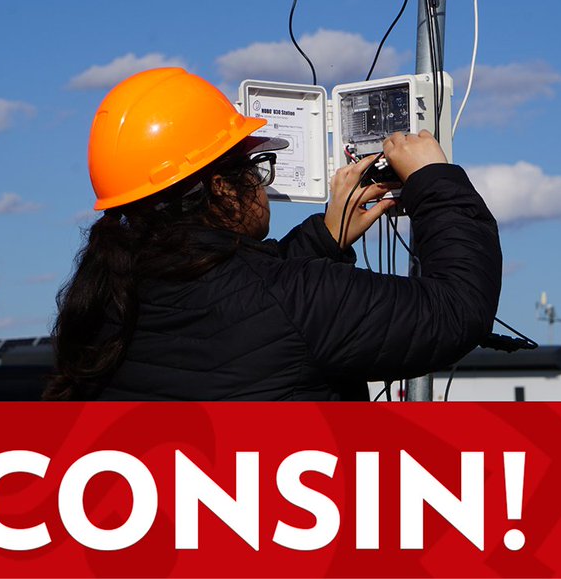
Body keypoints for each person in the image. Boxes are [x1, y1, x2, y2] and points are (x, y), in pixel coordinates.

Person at [45, 67, 501, 401]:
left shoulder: (105, 299)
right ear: (221, 188)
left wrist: (324, 239)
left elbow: (244, 303)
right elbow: (458, 309)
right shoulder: (295, 301)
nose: (262, 185)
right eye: (258, 169)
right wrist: (435, 180)